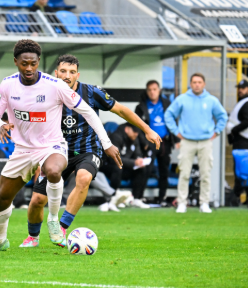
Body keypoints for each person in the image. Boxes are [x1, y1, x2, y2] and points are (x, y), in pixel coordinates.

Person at [0, 40, 119, 252]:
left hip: (52, 146)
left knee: (53, 170)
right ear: (16, 62)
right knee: (2, 197)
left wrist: (106, 143)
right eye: (24, 63)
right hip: (22, 150)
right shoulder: (7, 84)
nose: (29, 68)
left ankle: (53, 220)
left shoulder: (55, 85)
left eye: (33, 63)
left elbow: (88, 112)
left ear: (39, 61)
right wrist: (0, 125)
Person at [26, 55, 160, 247]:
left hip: (88, 149)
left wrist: (147, 130)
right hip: (57, 151)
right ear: (56, 73)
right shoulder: (45, 94)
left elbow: (121, 110)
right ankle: (33, 237)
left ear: (77, 75)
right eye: (63, 71)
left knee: (84, 178)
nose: (67, 75)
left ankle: (61, 227)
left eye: (72, 72)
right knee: (38, 199)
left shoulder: (91, 92)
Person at [164, 73, 228, 214]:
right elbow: (168, 115)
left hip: (205, 141)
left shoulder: (211, 100)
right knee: (184, 173)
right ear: (190, 84)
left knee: (205, 174)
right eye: (194, 82)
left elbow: (222, 116)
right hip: (187, 141)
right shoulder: (182, 99)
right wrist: (176, 131)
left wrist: (217, 132)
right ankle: (182, 203)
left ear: (204, 84)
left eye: (199, 82)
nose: (197, 85)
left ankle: (204, 203)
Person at [135, 79, 177, 206]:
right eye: (149, 90)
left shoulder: (167, 104)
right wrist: (144, 143)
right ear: (146, 91)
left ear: (159, 91)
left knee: (164, 171)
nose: (152, 92)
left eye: (154, 89)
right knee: (146, 169)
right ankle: (139, 197)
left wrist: (176, 139)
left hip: (165, 142)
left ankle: (161, 198)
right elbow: (137, 127)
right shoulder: (141, 107)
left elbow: (173, 121)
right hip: (150, 143)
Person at [102, 123, 153, 202]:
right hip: (109, 166)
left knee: (142, 169)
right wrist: (134, 162)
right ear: (127, 129)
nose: (136, 134)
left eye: (137, 132)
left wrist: (140, 160)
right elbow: (114, 158)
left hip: (125, 166)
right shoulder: (116, 137)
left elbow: (137, 153)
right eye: (134, 131)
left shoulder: (134, 138)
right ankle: (113, 198)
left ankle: (136, 199)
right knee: (118, 167)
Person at [226, 80, 248, 205]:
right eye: (239, 88)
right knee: (244, 169)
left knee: (241, 169)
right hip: (241, 140)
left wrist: (233, 130)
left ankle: (235, 196)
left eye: (243, 88)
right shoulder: (243, 101)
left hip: (244, 140)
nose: (240, 90)